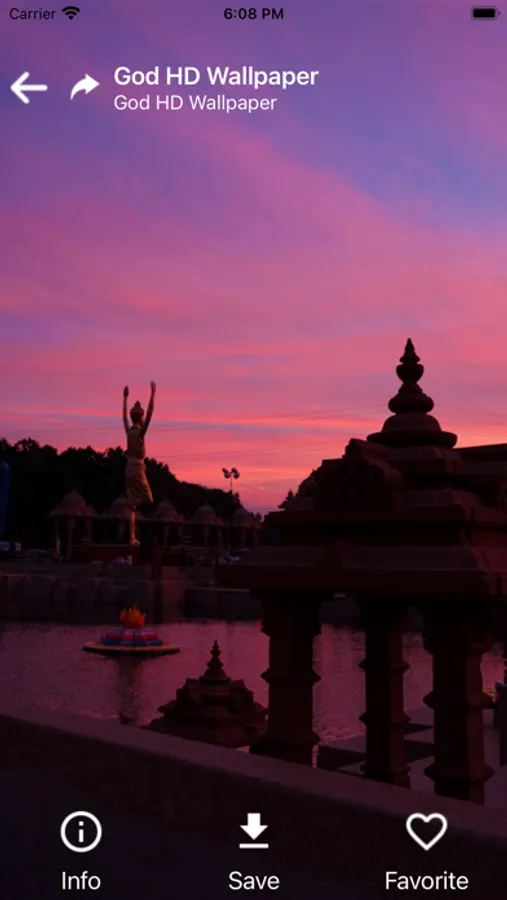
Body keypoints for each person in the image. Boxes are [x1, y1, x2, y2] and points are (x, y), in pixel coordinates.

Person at [122, 381, 156, 545]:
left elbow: (123, 417)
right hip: (137, 468)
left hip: (128, 467)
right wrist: (153, 394)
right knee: (149, 499)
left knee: (132, 507)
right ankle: (147, 534)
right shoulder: (140, 432)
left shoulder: (129, 432)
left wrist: (125, 398)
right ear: (140, 418)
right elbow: (150, 413)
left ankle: (132, 538)